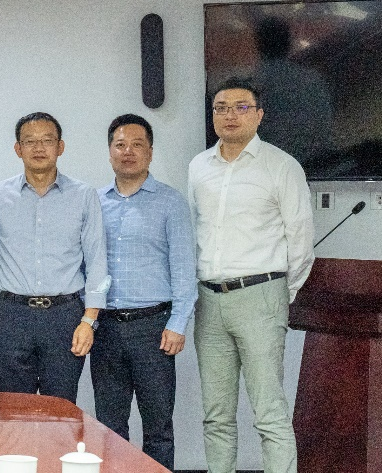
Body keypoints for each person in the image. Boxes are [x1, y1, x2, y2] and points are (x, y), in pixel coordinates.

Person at [190, 77, 313, 473]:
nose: (230, 115)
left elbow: (301, 240)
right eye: (221, 107)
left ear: (259, 115)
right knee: (216, 414)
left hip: (261, 296)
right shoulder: (198, 167)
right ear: (213, 116)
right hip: (208, 300)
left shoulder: (282, 166)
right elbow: (193, 231)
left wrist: (279, 294)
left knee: (269, 412)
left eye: (241, 107)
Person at [0, 111, 106, 404]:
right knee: (13, 410)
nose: (38, 148)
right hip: (12, 315)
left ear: (60, 147)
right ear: (17, 149)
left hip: (65, 316)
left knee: (61, 411)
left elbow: (97, 261)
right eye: (29, 141)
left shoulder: (84, 195)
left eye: (47, 141)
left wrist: (89, 320)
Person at [92, 114, 195, 470]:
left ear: (150, 152)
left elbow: (184, 268)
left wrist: (178, 323)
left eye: (137, 145)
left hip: (154, 327)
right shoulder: (94, 202)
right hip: (104, 328)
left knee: (158, 427)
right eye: (120, 145)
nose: (128, 152)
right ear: (109, 152)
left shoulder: (170, 202)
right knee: (109, 427)